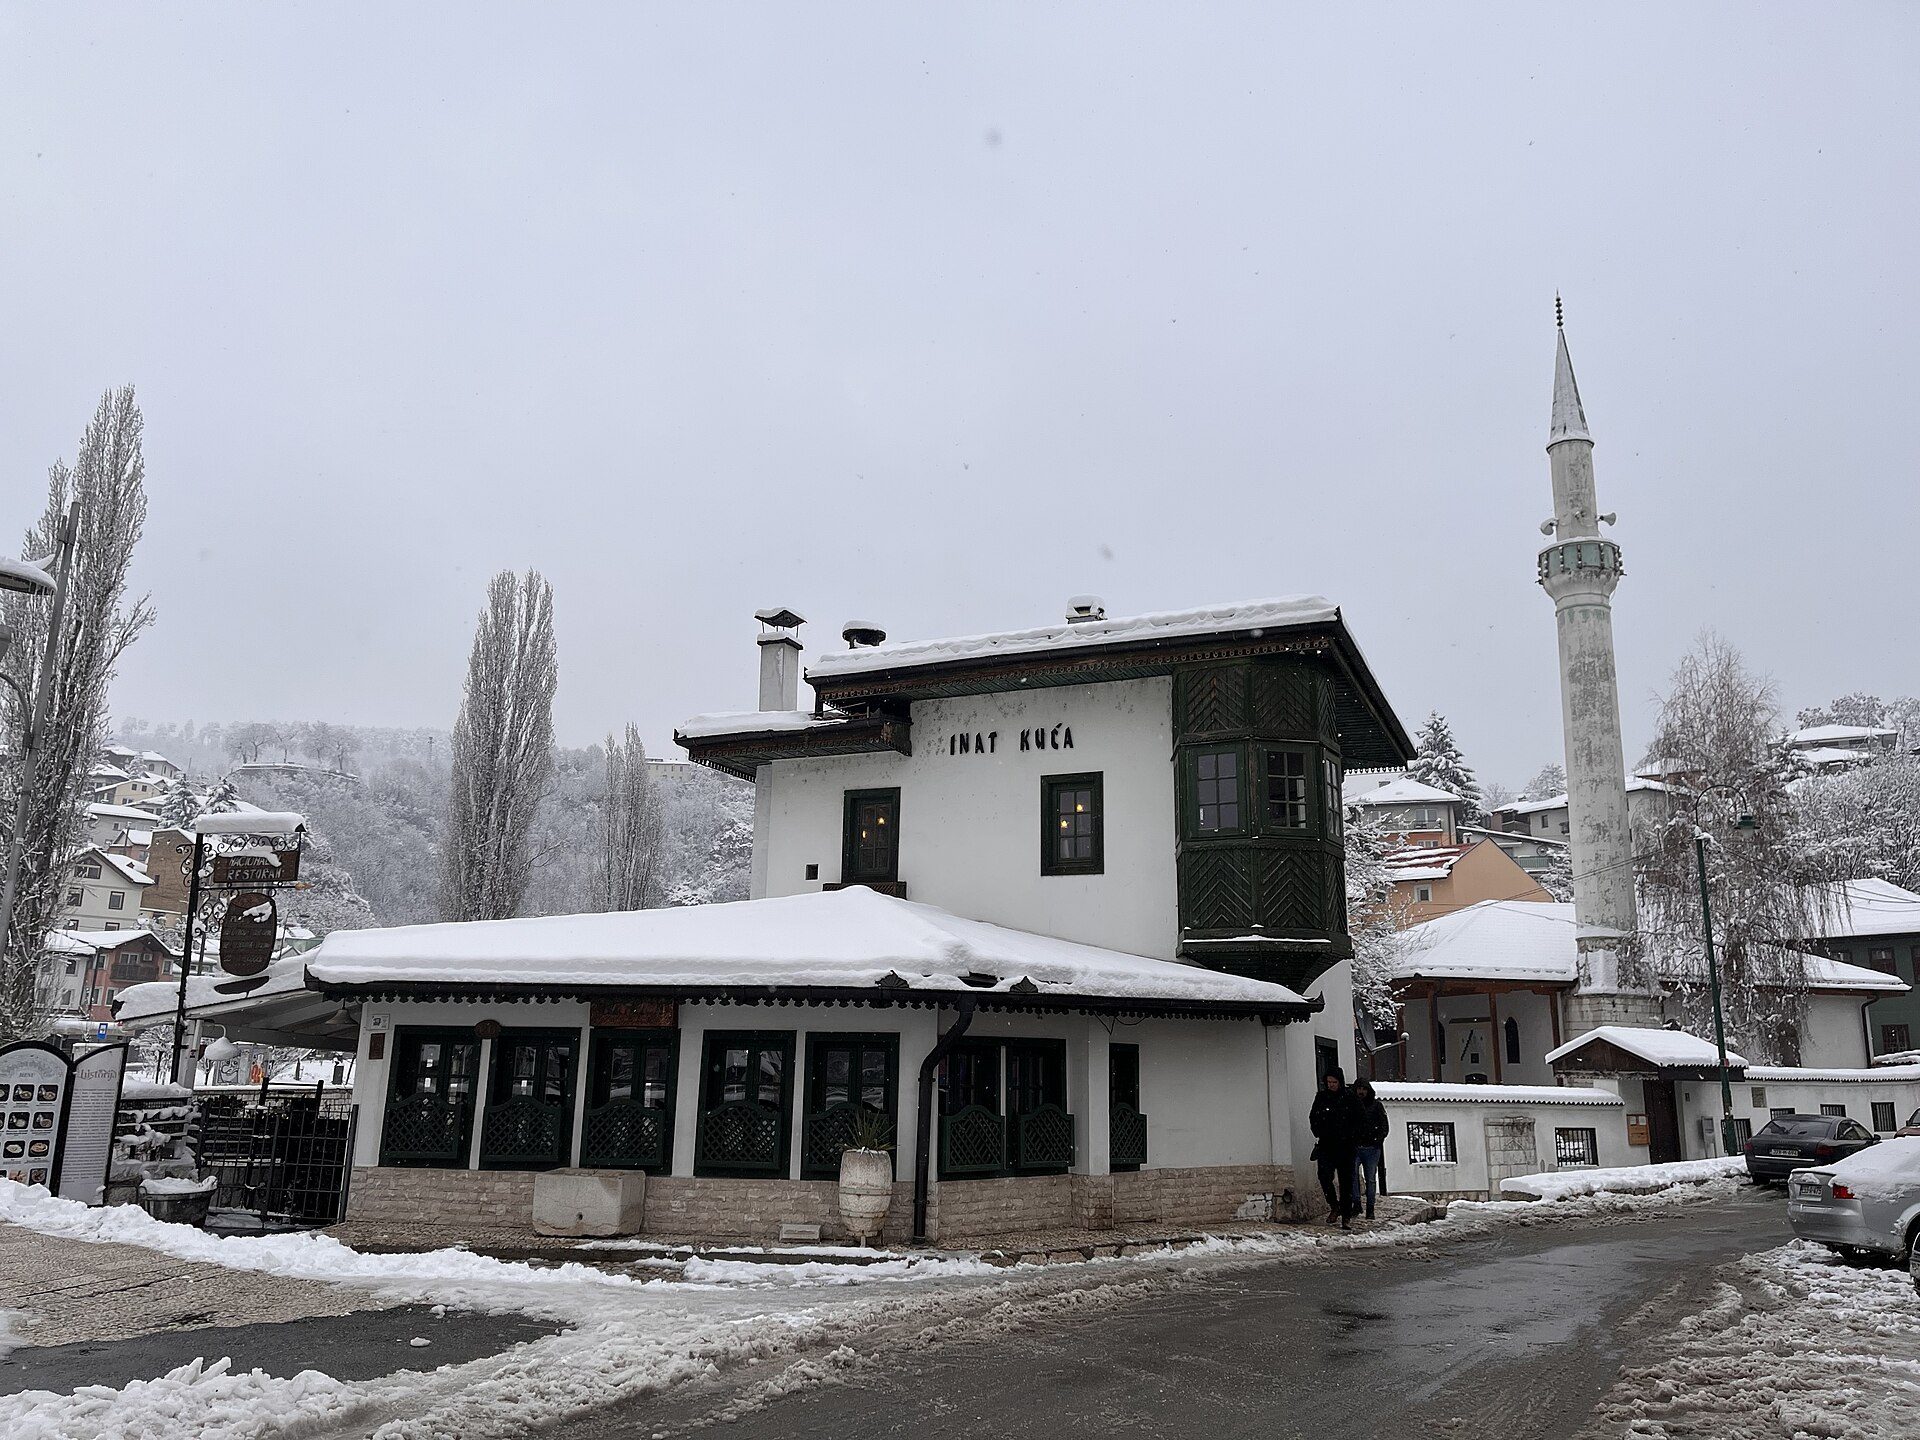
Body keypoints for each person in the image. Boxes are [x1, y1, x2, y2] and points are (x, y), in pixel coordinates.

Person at [1308, 1066, 1360, 1227]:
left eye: (1334, 1082)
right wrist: (1319, 1131)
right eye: (1328, 1082)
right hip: (1326, 1145)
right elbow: (1313, 1116)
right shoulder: (1322, 1098)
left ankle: (1345, 1215)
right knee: (1324, 1176)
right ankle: (1333, 1204)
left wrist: (1353, 1136)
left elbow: (1361, 1119)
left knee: (1346, 1181)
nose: (1331, 1085)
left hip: (1346, 1146)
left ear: (1340, 1082)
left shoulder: (1350, 1098)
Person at [1351, 1078, 1390, 1221]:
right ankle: (1356, 1204)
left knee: (1370, 1179)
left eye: (1364, 1089)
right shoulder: (1351, 1106)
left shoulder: (1376, 1106)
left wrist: (1376, 1141)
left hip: (1372, 1149)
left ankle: (1370, 1209)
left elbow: (1384, 1127)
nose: (1361, 1092)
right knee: (1352, 1176)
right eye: (1359, 1089)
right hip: (1355, 1147)